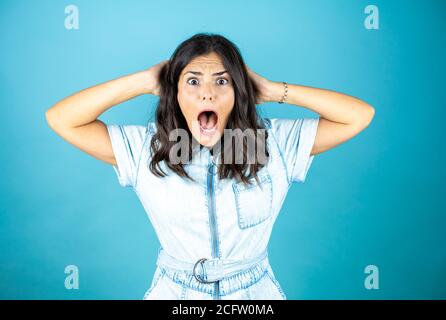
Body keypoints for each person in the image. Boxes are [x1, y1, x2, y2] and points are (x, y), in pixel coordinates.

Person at [45, 33, 375, 300]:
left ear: (239, 91)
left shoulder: (275, 143)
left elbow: (359, 115)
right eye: (192, 82)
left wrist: (274, 91)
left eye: (222, 81)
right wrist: (144, 81)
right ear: (173, 94)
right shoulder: (147, 149)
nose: (207, 95)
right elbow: (61, 118)